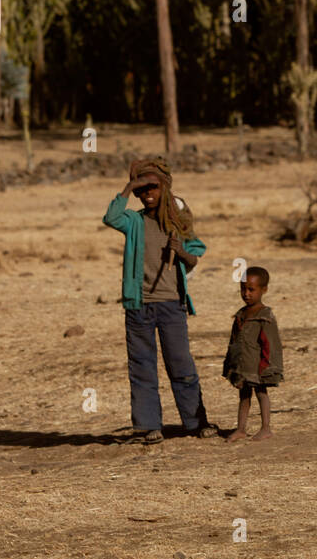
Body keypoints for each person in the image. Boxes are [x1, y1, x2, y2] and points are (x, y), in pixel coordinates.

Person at [102, 157, 218, 443]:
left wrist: (179, 251)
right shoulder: (134, 222)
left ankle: (195, 422)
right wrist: (128, 187)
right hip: (138, 306)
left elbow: (193, 259)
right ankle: (149, 426)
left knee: (181, 365)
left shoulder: (177, 224)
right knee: (142, 367)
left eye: (152, 186)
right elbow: (111, 217)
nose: (147, 194)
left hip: (171, 304)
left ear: (165, 188)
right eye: (142, 190)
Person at [222, 266, 283, 441]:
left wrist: (267, 367)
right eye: (243, 289)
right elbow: (234, 342)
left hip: (258, 367)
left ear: (264, 290)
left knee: (261, 393)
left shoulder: (264, 316)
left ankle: (266, 428)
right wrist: (230, 365)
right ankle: (241, 429)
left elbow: (271, 344)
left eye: (251, 289)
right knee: (244, 396)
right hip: (243, 365)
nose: (246, 293)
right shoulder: (241, 314)